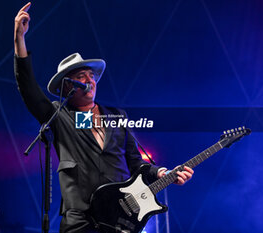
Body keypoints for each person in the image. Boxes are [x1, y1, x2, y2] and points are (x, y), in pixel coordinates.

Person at [14, 2, 194, 232]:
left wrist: (161, 172)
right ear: (68, 84)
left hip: (120, 216)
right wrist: (19, 39)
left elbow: (135, 162)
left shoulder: (117, 116)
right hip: (81, 218)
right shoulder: (61, 115)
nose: (89, 80)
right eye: (81, 76)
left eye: (91, 76)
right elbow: (28, 88)